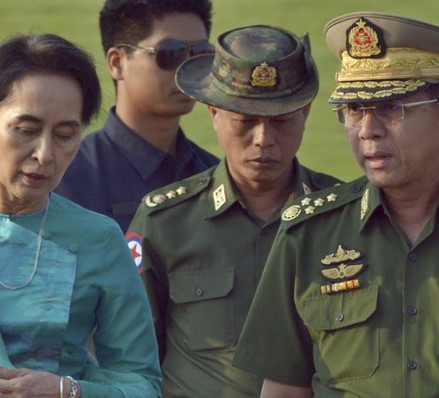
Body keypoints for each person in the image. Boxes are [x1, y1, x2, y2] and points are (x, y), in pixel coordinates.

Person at [233, 11, 439, 397]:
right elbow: (284, 388)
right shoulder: (309, 232)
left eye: (392, 108)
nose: (368, 130)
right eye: (354, 111)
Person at [0, 33, 161, 397]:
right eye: (26, 130)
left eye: (65, 135)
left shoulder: (97, 240)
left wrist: (68, 391)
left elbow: (142, 386)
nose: (44, 154)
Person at [127, 24, 342, 397]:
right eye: (245, 122)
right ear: (214, 112)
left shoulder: (343, 217)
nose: (263, 139)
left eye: (281, 121)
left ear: (305, 114)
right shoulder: (164, 221)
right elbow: (130, 352)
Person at [55, 0, 219, 232]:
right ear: (117, 63)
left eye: (201, 53)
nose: (188, 69)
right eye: (171, 54)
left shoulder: (216, 174)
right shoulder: (66, 177)